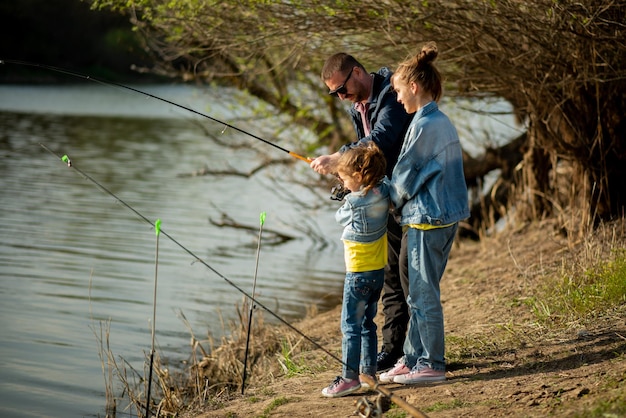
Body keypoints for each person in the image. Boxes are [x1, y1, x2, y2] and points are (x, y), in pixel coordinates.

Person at [311, 53, 413, 371]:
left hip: (410, 196)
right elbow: (366, 153)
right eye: (335, 94)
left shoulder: (391, 95)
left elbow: (380, 140)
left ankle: (417, 354)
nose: (341, 97)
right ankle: (393, 352)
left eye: (342, 88)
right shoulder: (359, 105)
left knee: (409, 278)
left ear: (357, 72)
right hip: (385, 198)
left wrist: (339, 157)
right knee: (390, 276)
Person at [379, 42, 470, 385]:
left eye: (400, 92)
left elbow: (404, 178)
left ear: (414, 87)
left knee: (422, 292)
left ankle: (432, 363)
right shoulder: (431, 120)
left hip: (427, 220)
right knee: (414, 288)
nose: (398, 99)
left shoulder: (426, 126)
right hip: (433, 218)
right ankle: (414, 356)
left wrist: (376, 194)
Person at [321, 142, 390, 398]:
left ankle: (349, 378)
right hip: (377, 272)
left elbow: (340, 217)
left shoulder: (353, 202)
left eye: (345, 177)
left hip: (357, 274)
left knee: (350, 326)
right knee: (368, 324)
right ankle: (369, 373)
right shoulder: (384, 190)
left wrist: (344, 194)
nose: (342, 180)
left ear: (359, 176)